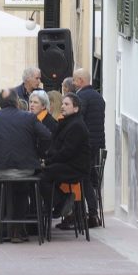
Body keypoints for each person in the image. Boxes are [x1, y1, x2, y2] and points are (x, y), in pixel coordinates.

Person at [0, 89, 52, 243]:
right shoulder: (29, 117)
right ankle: (17, 232)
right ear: (16, 101)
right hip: (25, 169)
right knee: (21, 192)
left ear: (0, 103)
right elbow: (47, 135)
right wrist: (38, 153)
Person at [39, 93, 91, 221]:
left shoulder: (76, 125)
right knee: (43, 173)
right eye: (62, 103)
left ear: (76, 108)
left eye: (67, 104)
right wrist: (47, 158)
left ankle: (60, 201)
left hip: (75, 167)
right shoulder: (67, 123)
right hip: (68, 163)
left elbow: (67, 152)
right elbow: (56, 146)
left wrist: (47, 161)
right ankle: (60, 201)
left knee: (42, 176)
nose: (62, 106)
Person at [73, 68, 105, 228]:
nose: (73, 83)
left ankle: (89, 213)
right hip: (97, 145)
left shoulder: (80, 97)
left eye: (74, 80)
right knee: (89, 178)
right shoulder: (99, 97)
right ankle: (88, 213)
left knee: (82, 177)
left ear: (80, 80)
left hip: (85, 146)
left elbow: (78, 123)